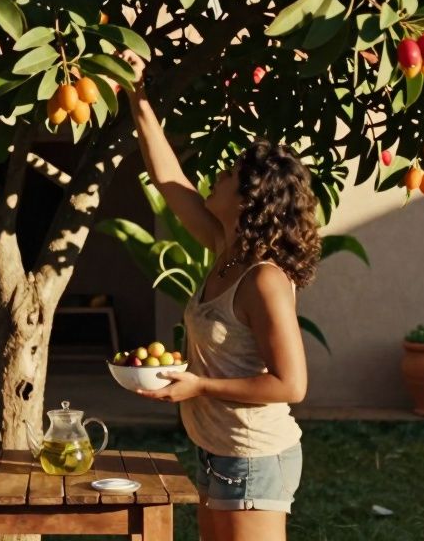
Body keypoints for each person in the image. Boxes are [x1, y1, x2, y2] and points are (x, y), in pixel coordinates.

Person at [120, 50, 322, 541]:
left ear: (251, 198)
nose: (217, 175)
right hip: (220, 450)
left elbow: (291, 386)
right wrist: (136, 92)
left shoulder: (263, 279)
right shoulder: (223, 247)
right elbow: (168, 179)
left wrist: (199, 385)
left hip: (253, 454)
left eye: (230, 174)